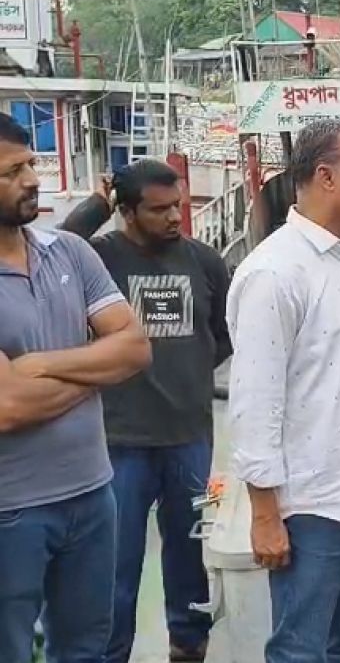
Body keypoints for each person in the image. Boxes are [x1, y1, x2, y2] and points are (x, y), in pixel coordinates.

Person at [227, 119, 340, 662]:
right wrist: (264, 513)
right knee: (302, 645)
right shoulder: (274, 273)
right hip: (313, 500)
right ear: (326, 177)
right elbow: (256, 400)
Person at [58, 160, 233, 663]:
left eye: (177, 206)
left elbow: (222, 335)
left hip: (188, 435)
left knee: (189, 555)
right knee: (115, 563)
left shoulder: (204, 261)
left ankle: (189, 645)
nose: (174, 217)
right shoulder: (99, 258)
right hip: (118, 441)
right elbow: (57, 247)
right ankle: (113, 653)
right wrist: (98, 203)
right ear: (127, 212)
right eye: (157, 210)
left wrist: (190, 372)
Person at [0, 113, 152, 662]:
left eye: (31, 164)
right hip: (12, 510)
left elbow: (135, 349)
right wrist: (93, 375)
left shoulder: (70, 252)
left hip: (91, 494)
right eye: (12, 171)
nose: (32, 179)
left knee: (87, 647)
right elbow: (9, 407)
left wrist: (37, 365)